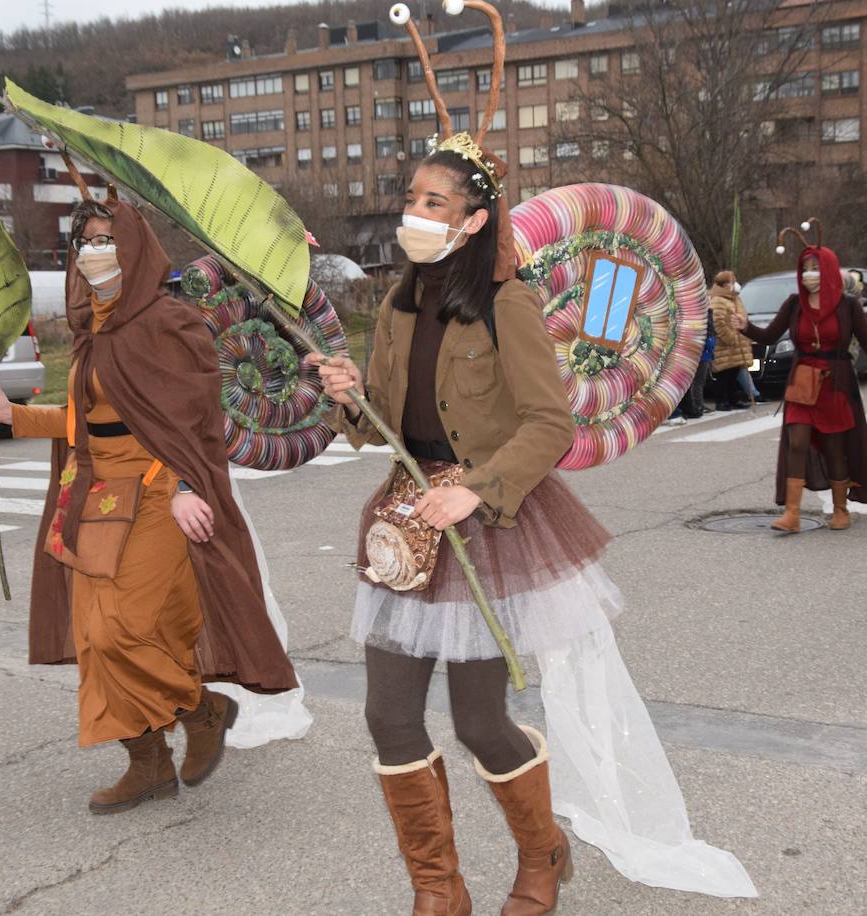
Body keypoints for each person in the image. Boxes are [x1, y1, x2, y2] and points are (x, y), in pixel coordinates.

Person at [310, 70, 756, 907]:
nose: (416, 212)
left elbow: (549, 426)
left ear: (475, 220)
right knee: (388, 716)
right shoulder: (399, 306)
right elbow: (380, 428)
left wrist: (475, 491)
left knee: (480, 721)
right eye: (413, 196)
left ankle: (542, 853)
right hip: (407, 521)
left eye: (435, 202)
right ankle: (439, 890)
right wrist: (347, 397)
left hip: (488, 523)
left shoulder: (506, 304)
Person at [0, 197, 299, 814]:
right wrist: (15, 416)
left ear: (136, 249)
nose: (95, 254)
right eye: (85, 243)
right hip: (95, 495)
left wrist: (184, 486)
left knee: (128, 628)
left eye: (108, 241)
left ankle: (202, 709)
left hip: (155, 492)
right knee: (96, 639)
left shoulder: (168, 322)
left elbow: (194, 419)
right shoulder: (90, 329)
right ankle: (148, 761)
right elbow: (90, 421)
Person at [733, 228, 867, 533]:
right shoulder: (794, 303)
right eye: (805, 270)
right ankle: (792, 514)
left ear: (827, 270)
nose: (810, 275)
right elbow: (770, 335)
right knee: (796, 442)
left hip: (835, 384)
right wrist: (746, 327)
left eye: (815, 269)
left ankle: (840, 510)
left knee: (834, 447)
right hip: (801, 382)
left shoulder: (848, 306)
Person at [708, 271, 754, 411]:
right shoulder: (718, 300)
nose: (735, 284)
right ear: (725, 284)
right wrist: (730, 337)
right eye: (732, 281)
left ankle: (733, 399)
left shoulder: (734, 298)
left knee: (733, 373)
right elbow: (718, 322)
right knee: (724, 374)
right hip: (726, 345)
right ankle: (722, 401)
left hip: (737, 344)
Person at [680, 303, 717, 417]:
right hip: (700, 351)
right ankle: (697, 406)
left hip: (698, 350)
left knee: (695, 381)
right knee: (697, 381)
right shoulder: (701, 314)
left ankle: (696, 406)